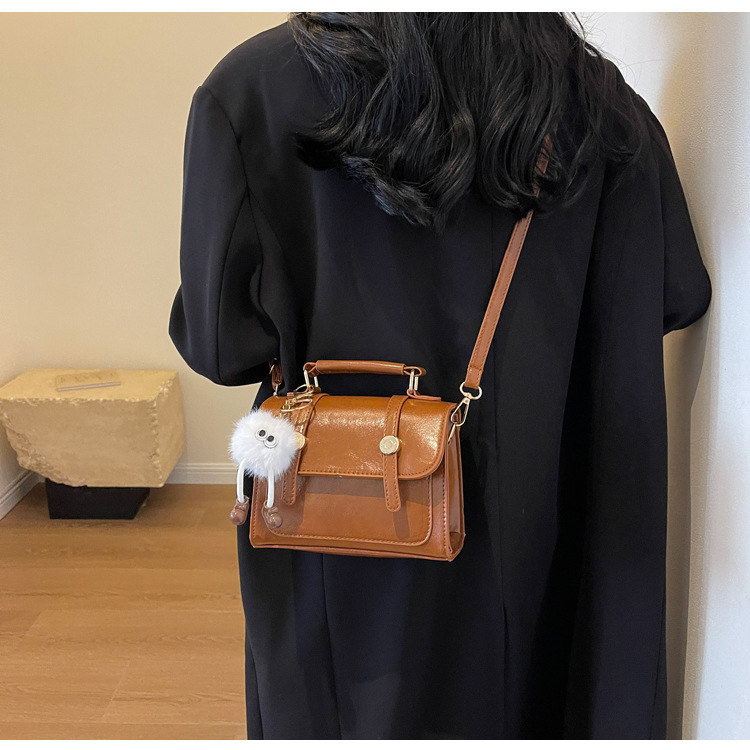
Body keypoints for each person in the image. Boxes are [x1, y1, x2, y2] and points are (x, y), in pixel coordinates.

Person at [169, 13, 712, 739]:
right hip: (545, 531)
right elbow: (674, 295)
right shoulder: (599, 106)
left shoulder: (251, 88)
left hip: (332, 526)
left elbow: (220, 347)